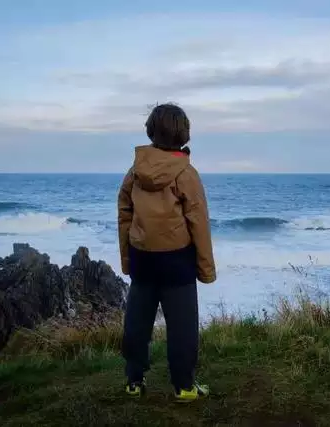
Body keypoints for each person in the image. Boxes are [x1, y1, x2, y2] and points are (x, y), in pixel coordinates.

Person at [117, 103, 216, 403]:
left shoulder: (135, 171)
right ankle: (184, 386)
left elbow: (124, 214)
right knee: (182, 326)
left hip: (143, 259)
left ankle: (134, 381)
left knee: (137, 320)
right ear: (183, 135)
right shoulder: (186, 173)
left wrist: (127, 259)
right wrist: (206, 269)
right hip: (177, 262)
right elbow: (198, 222)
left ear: (150, 131)